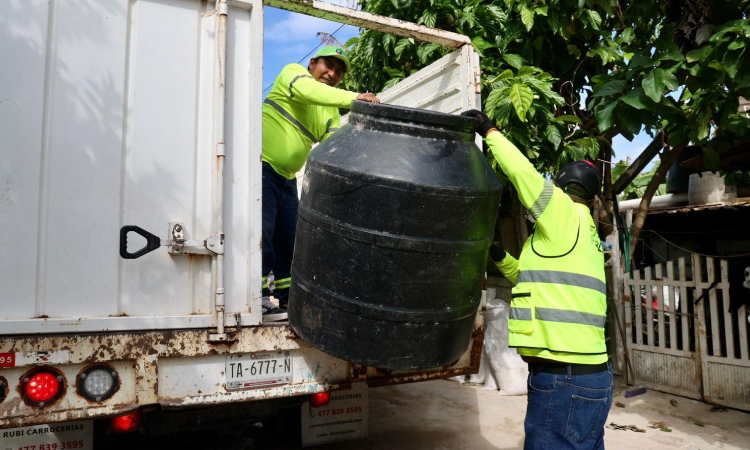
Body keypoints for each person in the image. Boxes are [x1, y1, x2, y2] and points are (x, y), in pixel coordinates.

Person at [461, 109, 612, 449]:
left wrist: (489, 130)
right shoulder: (586, 232)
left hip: (564, 379)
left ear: (560, 186)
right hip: (591, 376)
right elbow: (533, 279)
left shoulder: (562, 211)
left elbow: (522, 173)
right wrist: (500, 256)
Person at [261, 46, 380, 321]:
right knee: (261, 233)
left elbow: (334, 147)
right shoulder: (292, 73)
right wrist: (355, 97)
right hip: (262, 168)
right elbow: (311, 91)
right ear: (312, 63)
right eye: (329, 66)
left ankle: (287, 296)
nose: (332, 74)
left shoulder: (329, 110)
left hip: (286, 179)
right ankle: (256, 296)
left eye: (339, 72)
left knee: (289, 240)